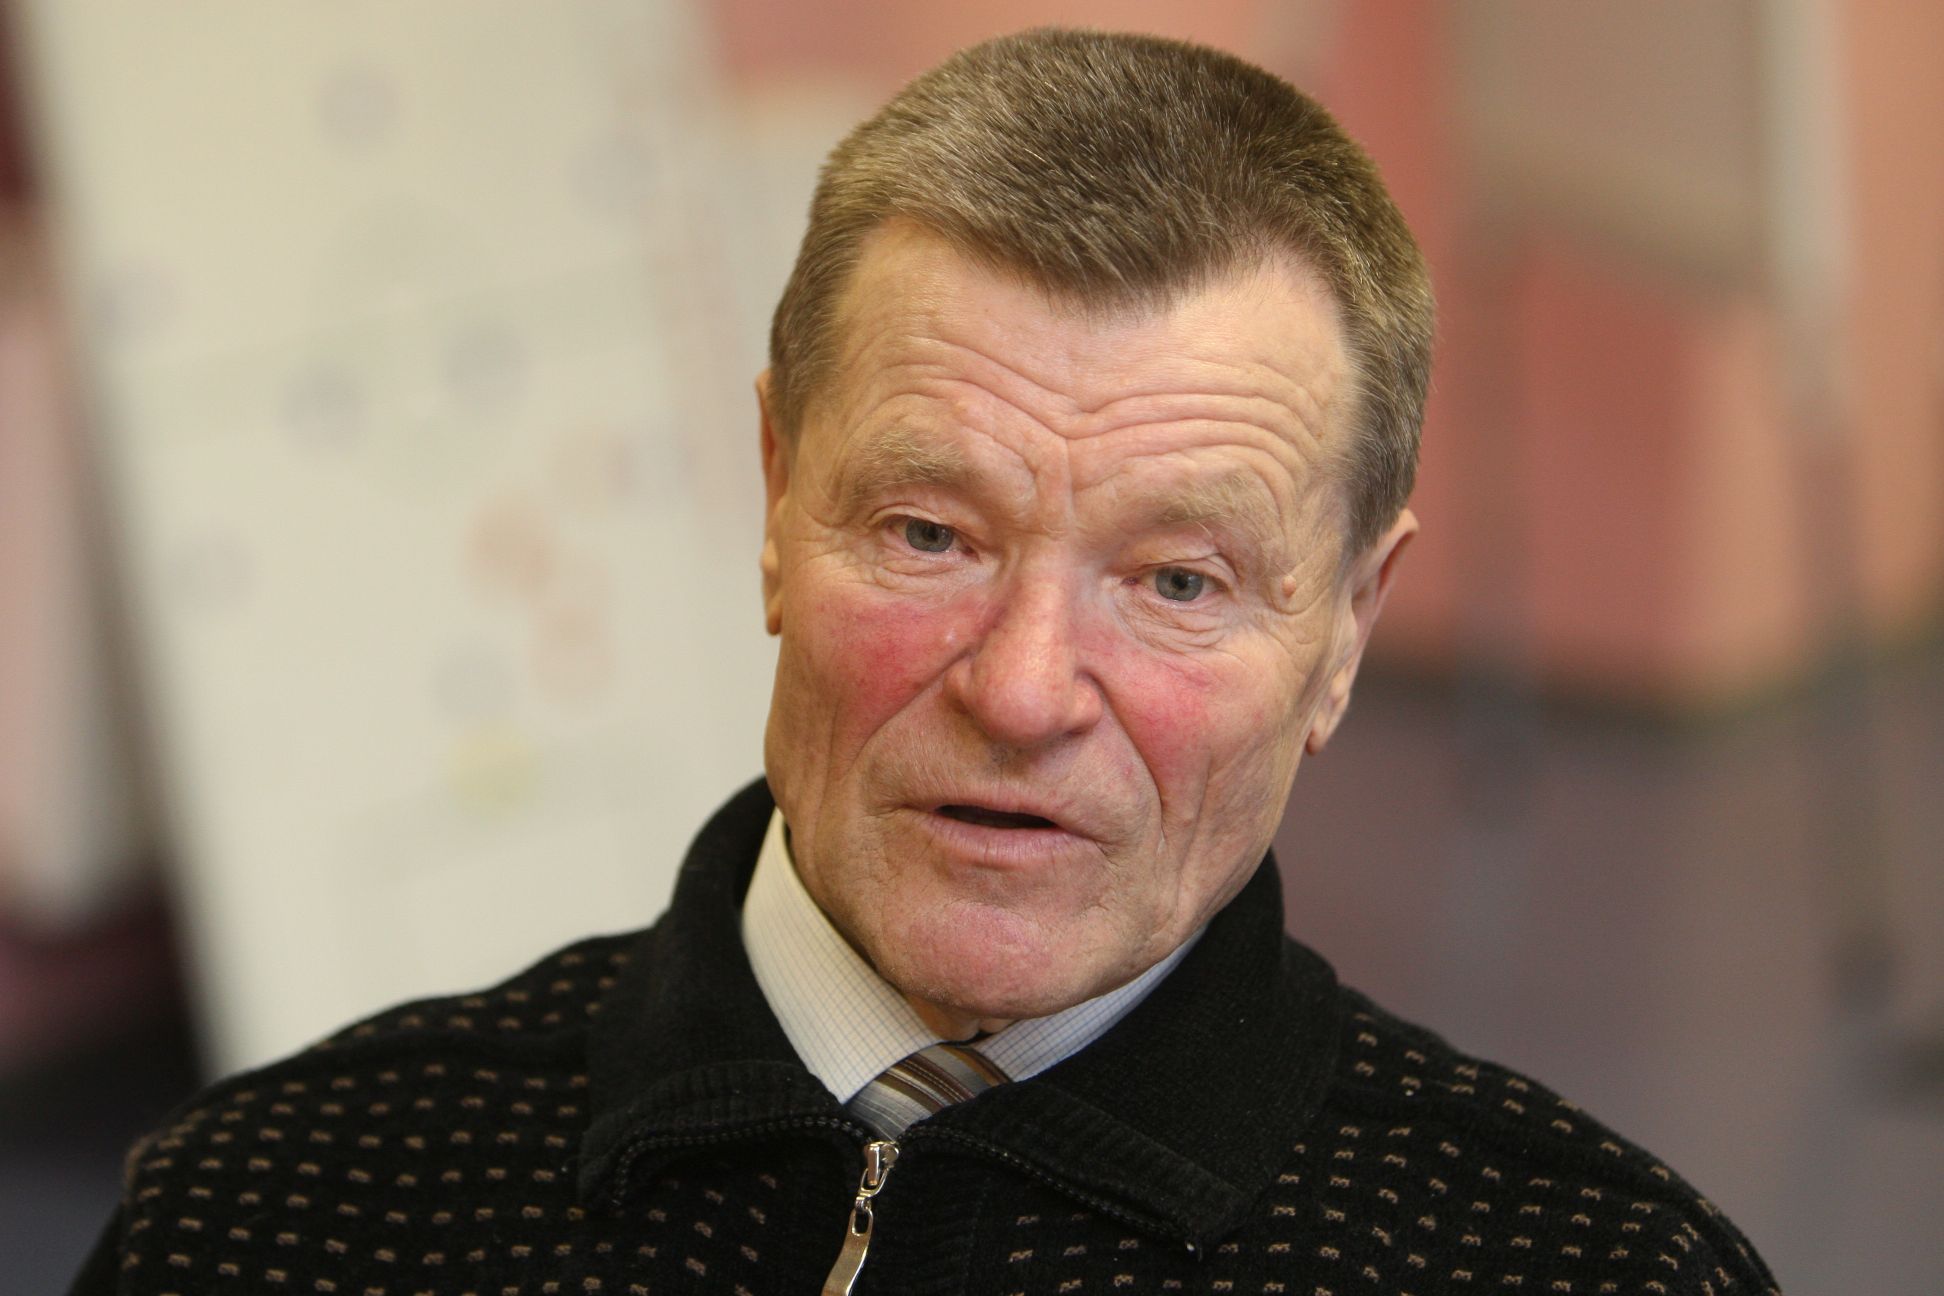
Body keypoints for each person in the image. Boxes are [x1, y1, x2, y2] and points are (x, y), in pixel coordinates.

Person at [74, 29, 1778, 1295]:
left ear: (1345, 633)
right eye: (929, 534)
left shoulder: (1593, 1270)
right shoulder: (270, 1214)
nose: (1023, 693)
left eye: (1177, 581)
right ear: (775, 499)